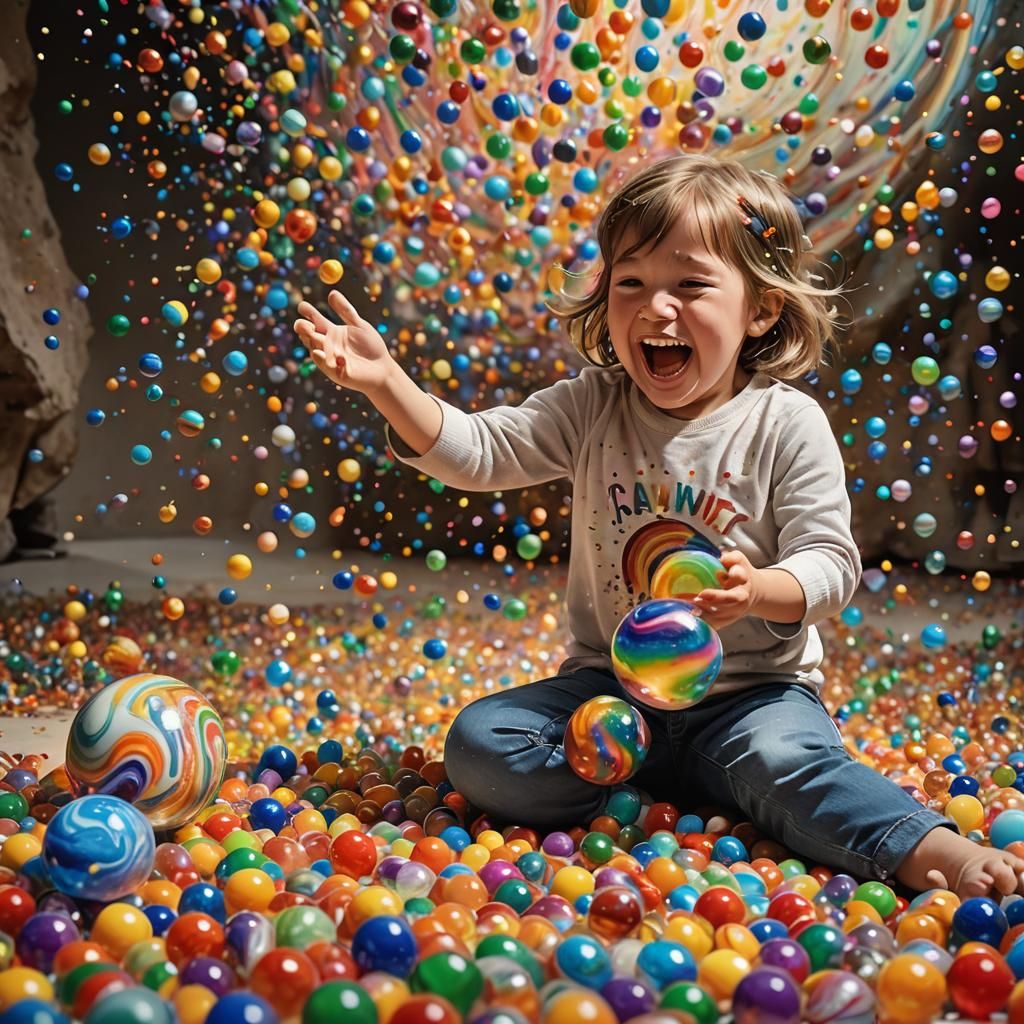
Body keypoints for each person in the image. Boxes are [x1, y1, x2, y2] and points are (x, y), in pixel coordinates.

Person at [296, 154, 1023, 899]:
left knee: (789, 764)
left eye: (691, 285)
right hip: (611, 695)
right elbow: (478, 452)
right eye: (631, 283)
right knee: (481, 746)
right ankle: (657, 790)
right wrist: (387, 384)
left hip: (753, 698)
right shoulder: (591, 407)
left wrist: (762, 588)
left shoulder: (785, 423)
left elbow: (831, 562)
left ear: (762, 309)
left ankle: (932, 848)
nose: (655, 308)